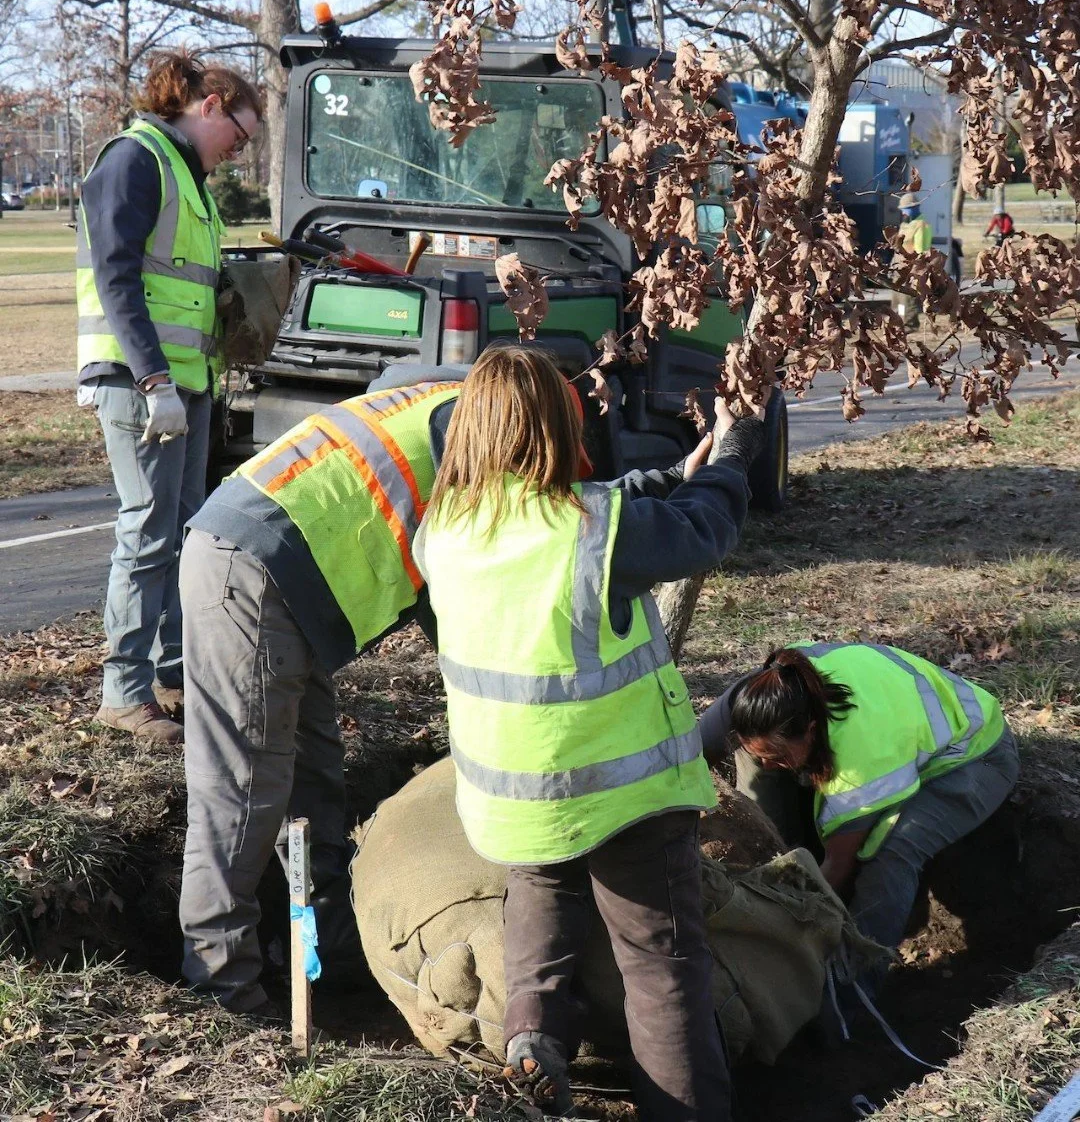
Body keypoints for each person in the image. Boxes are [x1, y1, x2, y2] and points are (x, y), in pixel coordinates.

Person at [416, 343, 769, 1122]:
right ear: (554, 424)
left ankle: (532, 1044)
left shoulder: (443, 529)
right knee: (660, 968)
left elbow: (593, 508)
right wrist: (735, 452)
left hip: (515, 798)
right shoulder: (594, 531)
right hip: (623, 795)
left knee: (537, 908)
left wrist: (671, 475)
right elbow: (703, 531)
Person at [177, 367, 465, 1014]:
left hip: (275, 571)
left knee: (312, 782)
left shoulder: (437, 390)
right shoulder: (469, 428)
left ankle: (321, 953)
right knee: (245, 789)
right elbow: (462, 578)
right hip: (250, 570)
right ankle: (220, 985)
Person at [77, 51, 263, 745]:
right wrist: (154, 382)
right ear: (209, 105)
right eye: (236, 136)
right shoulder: (135, 158)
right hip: (141, 384)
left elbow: (181, 284)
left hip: (184, 384)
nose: (236, 153)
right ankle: (123, 694)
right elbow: (117, 278)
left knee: (184, 535)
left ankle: (176, 676)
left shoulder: (188, 176)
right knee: (148, 532)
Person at [698, 642, 1019, 989]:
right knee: (763, 769)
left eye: (776, 753)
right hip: (900, 724)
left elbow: (839, 867)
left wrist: (796, 929)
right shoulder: (764, 693)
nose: (767, 761)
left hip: (974, 753)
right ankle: (778, 878)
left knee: (893, 851)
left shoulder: (861, 766)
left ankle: (852, 985)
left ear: (809, 731)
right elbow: (690, 758)